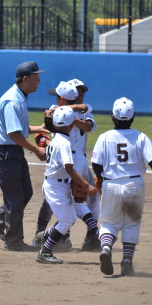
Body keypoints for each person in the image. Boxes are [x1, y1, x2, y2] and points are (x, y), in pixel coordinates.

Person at [91, 97, 152, 276]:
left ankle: (107, 248)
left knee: (109, 222)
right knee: (131, 224)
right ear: (133, 118)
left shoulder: (104, 137)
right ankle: (126, 262)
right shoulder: (140, 136)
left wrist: (102, 178)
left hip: (111, 185)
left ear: (111, 117)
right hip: (134, 185)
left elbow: (96, 163)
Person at [0, 61, 48, 251]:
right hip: (5, 153)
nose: (39, 80)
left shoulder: (21, 96)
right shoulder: (13, 100)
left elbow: (18, 128)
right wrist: (36, 150)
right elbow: (13, 134)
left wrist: (40, 128)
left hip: (13, 152)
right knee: (15, 197)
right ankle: (14, 240)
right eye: (36, 76)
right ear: (26, 79)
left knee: (25, 192)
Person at [32, 79, 100, 251]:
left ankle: (47, 236)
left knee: (68, 200)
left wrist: (69, 117)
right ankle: (83, 234)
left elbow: (89, 125)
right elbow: (47, 131)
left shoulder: (60, 112)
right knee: (75, 200)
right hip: (71, 158)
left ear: (62, 98)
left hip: (69, 160)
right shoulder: (67, 111)